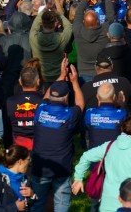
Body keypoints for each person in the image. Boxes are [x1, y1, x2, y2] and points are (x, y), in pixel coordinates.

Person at [30, 64, 84, 212]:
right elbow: (80, 104)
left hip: (40, 167)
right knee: (61, 204)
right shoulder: (69, 115)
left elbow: (47, 95)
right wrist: (74, 82)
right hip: (62, 168)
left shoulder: (40, 110)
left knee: (37, 205)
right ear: (66, 97)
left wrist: (60, 75)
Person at [0, 145, 37, 212]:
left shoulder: (24, 178)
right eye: (28, 159)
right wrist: (15, 207)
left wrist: (32, 195)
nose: (29, 163)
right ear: (20, 161)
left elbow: (26, 205)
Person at [5, 65, 44, 149]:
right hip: (40, 144)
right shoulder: (44, 101)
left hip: (18, 144)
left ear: (20, 82)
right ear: (38, 81)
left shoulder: (10, 101)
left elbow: (7, 127)